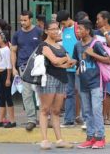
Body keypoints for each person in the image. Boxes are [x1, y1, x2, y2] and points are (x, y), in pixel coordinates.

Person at [38, 21, 76, 150]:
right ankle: (44, 140)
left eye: (57, 29)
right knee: (45, 109)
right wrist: (64, 60)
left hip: (62, 78)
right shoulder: (44, 46)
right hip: (48, 78)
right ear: (46, 31)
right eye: (52, 29)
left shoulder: (60, 46)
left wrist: (63, 61)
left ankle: (59, 140)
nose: (55, 31)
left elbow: (68, 62)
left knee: (56, 111)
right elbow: (55, 61)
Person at [75, 19, 110, 149]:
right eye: (77, 29)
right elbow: (76, 61)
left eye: (80, 29)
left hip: (96, 82)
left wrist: (93, 54)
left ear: (88, 30)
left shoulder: (96, 44)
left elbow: (108, 59)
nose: (77, 31)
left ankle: (100, 137)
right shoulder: (77, 45)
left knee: (96, 110)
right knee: (87, 112)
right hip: (83, 83)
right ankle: (90, 138)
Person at [11, 10, 43, 131]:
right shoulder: (17, 34)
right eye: (21, 20)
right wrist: (14, 67)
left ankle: (44, 117)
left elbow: (45, 47)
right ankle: (31, 120)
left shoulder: (39, 32)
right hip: (23, 67)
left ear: (31, 19)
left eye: (25, 20)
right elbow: (13, 51)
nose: (23, 22)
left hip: (38, 66)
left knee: (41, 93)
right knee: (27, 94)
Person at [56, 10, 82, 128]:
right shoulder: (63, 30)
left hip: (78, 66)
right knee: (69, 93)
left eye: (62, 23)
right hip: (67, 67)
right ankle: (68, 119)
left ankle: (86, 118)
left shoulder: (78, 28)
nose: (62, 25)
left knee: (82, 93)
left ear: (68, 19)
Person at [0, 30, 16, 128]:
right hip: (0, 73)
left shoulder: (6, 50)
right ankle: (0, 119)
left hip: (6, 73)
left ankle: (12, 120)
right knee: (2, 97)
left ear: (2, 39)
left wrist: (8, 78)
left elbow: (8, 64)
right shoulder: (0, 49)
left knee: (8, 97)